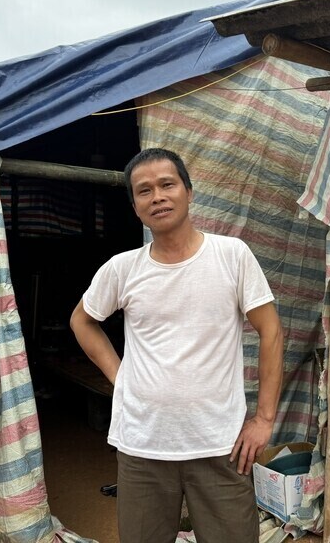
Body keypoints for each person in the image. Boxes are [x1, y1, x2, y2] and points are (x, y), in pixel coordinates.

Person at [70, 148, 283, 543]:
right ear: (135, 206)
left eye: (167, 184)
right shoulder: (123, 268)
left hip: (220, 444)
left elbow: (270, 331)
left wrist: (265, 420)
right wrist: (120, 376)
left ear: (189, 191)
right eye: (144, 190)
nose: (158, 197)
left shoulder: (231, 256)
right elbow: (82, 320)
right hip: (142, 444)